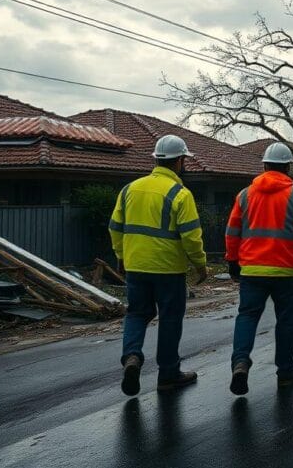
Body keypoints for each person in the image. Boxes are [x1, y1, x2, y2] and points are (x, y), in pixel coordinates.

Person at [110, 134, 208, 397]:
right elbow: (191, 235)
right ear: (179, 161)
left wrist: (121, 256)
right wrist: (200, 265)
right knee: (170, 319)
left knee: (136, 314)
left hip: (136, 266)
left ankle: (132, 357)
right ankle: (168, 374)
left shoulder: (129, 189)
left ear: (156, 159)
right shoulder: (180, 193)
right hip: (168, 270)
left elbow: (115, 228)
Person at [226, 142, 293, 394]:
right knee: (286, 322)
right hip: (286, 272)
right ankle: (286, 371)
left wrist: (232, 261)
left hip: (252, 271)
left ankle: (240, 362)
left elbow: (232, 232)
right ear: (288, 167)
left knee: (247, 317)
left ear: (265, 165)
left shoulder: (244, 195)